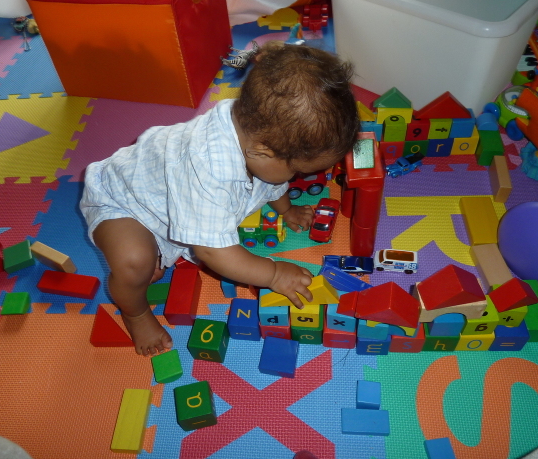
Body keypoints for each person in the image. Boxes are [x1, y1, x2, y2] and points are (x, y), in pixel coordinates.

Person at [80, 41, 360, 356]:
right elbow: (213, 252)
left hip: (170, 199)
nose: (295, 178)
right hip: (124, 201)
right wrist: (274, 274)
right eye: (296, 170)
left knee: (148, 260)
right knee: (134, 263)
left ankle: (157, 253)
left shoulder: (254, 129)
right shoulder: (210, 171)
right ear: (262, 152)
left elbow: (271, 181)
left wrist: (287, 210)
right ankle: (135, 313)